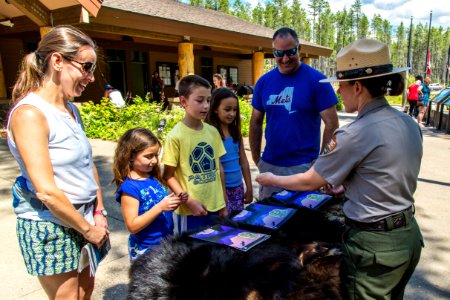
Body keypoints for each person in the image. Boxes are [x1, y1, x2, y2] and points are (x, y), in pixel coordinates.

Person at [256, 38, 423, 299]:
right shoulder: (408, 122)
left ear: (357, 86)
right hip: (408, 236)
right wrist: (350, 184)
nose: (338, 93)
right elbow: (387, 171)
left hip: (375, 245)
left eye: (341, 86)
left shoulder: (355, 133)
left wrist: (271, 178)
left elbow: (310, 181)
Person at [7, 25, 109, 299]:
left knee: (86, 292)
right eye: (86, 67)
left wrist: (99, 212)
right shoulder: (30, 114)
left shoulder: (71, 109)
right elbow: (46, 191)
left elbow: (88, 166)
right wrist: (88, 229)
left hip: (86, 218)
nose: (89, 77)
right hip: (51, 224)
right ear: (57, 61)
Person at [249, 27, 339, 200]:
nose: (284, 58)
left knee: (301, 221)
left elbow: (332, 124)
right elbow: (255, 122)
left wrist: (321, 161)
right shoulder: (264, 82)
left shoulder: (317, 81)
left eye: (290, 52)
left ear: (299, 49)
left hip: (303, 167)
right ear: (273, 51)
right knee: (269, 219)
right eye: (279, 53)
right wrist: (256, 158)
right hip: (270, 165)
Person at [161, 74, 227, 233]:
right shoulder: (175, 136)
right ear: (183, 101)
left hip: (215, 207)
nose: (205, 106)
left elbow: (219, 168)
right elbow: (168, 176)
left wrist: (224, 201)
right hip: (190, 213)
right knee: (190, 255)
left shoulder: (212, 132)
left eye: (208, 100)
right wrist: (189, 202)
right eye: (199, 100)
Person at [113, 128, 181, 261]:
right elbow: (132, 226)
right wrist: (160, 207)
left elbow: (155, 206)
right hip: (146, 250)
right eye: (148, 156)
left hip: (165, 244)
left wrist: (172, 203)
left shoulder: (152, 177)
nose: (155, 161)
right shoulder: (130, 188)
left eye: (156, 155)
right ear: (131, 156)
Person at [205, 88, 253, 215]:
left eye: (234, 110)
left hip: (238, 188)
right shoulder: (210, 134)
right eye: (227, 109)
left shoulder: (235, 132)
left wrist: (249, 187)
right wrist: (222, 194)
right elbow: (215, 167)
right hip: (221, 191)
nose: (232, 113)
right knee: (224, 228)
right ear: (215, 109)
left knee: (238, 226)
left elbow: (243, 161)